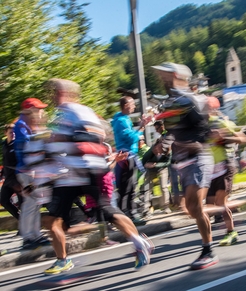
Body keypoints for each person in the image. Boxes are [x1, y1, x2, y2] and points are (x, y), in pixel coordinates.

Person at [43, 79, 152, 275]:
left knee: (107, 210)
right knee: (52, 219)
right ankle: (62, 260)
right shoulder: (63, 113)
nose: (52, 96)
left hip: (87, 169)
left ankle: (139, 242)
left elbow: (96, 137)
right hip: (68, 175)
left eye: (55, 92)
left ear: (66, 93)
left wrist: (65, 141)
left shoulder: (78, 111)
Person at [151, 62, 217, 270]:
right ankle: (222, 210)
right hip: (182, 161)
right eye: (161, 75)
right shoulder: (170, 102)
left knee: (195, 206)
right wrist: (165, 142)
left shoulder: (189, 100)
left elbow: (205, 130)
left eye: (165, 75)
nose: (162, 79)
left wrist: (191, 143)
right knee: (191, 208)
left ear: (178, 76)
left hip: (198, 157)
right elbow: (173, 130)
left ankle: (208, 251)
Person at [206, 96, 246, 245]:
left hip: (225, 166)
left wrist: (224, 138)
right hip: (208, 170)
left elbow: (244, 139)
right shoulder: (199, 127)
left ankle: (231, 232)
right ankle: (207, 241)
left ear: (211, 109)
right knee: (209, 206)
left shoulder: (220, 122)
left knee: (220, 202)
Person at [14, 98, 50, 249]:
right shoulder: (20, 125)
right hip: (25, 170)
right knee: (29, 204)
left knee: (35, 204)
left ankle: (35, 234)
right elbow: (25, 142)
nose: (41, 111)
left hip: (32, 170)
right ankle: (27, 237)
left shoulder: (29, 124)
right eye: (39, 108)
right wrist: (43, 135)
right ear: (29, 110)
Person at [111, 96, 146, 222]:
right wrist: (142, 128)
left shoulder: (123, 119)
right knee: (126, 187)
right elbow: (131, 138)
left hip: (128, 155)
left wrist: (142, 125)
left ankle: (131, 213)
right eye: (132, 104)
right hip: (126, 156)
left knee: (131, 186)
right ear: (126, 105)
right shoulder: (121, 121)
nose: (134, 106)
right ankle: (125, 215)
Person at [140, 135, 173, 215]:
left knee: (163, 187)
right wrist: (146, 165)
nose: (160, 150)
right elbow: (144, 160)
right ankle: (146, 208)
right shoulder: (151, 150)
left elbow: (168, 162)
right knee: (147, 187)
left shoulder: (168, 151)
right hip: (150, 169)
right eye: (159, 147)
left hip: (162, 168)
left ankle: (166, 206)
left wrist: (156, 165)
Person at [0, 124, 23, 222]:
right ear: (5, 133)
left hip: (17, 178)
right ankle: (20, 219)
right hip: (8, 179)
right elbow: (5, 161)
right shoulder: (5, 145)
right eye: (10, 132)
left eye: (14, 132)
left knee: (22, 204)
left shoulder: (17, 145)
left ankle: (26, 226)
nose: (13, 134)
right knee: (3, 200)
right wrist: (2, 174)